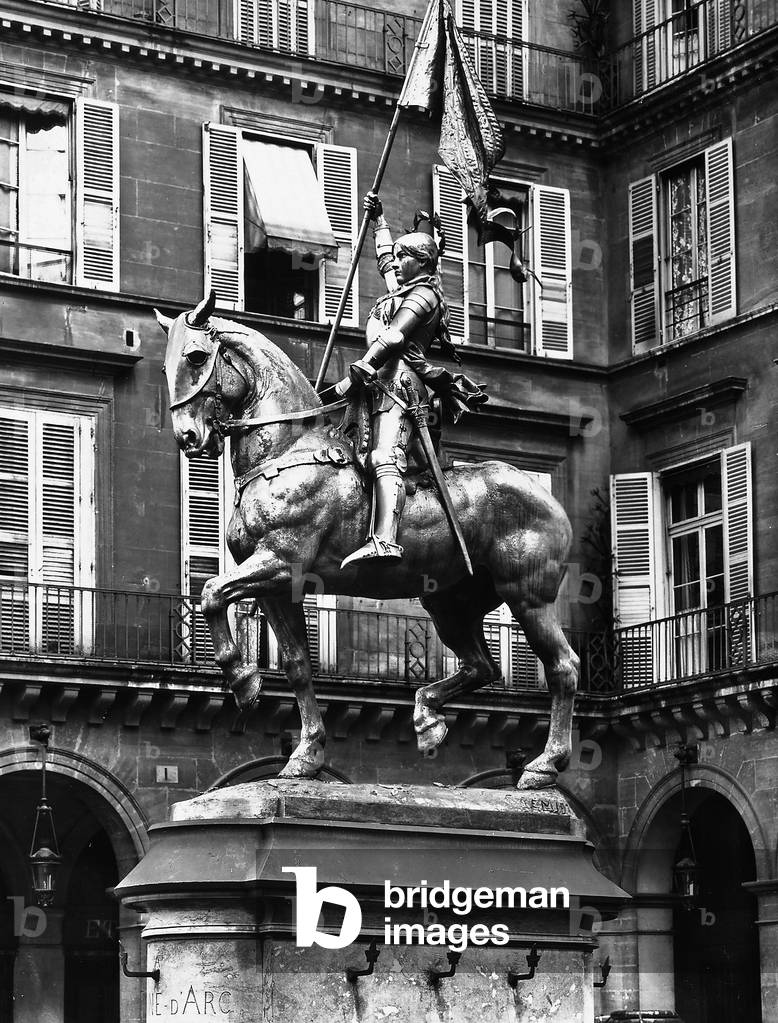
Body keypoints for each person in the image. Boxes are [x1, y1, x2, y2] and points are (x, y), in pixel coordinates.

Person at [335, 192, 487, 569]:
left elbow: (396, 337)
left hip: (399, 385)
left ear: (423, 262)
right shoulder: (402, 288)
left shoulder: (424, 295)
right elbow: (385, 261)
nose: (397, 263)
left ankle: (385, 539)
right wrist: (379, 220)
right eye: (399, 255)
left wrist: (364, 366)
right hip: (377, 383)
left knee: (384, 456)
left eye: (405, 257)